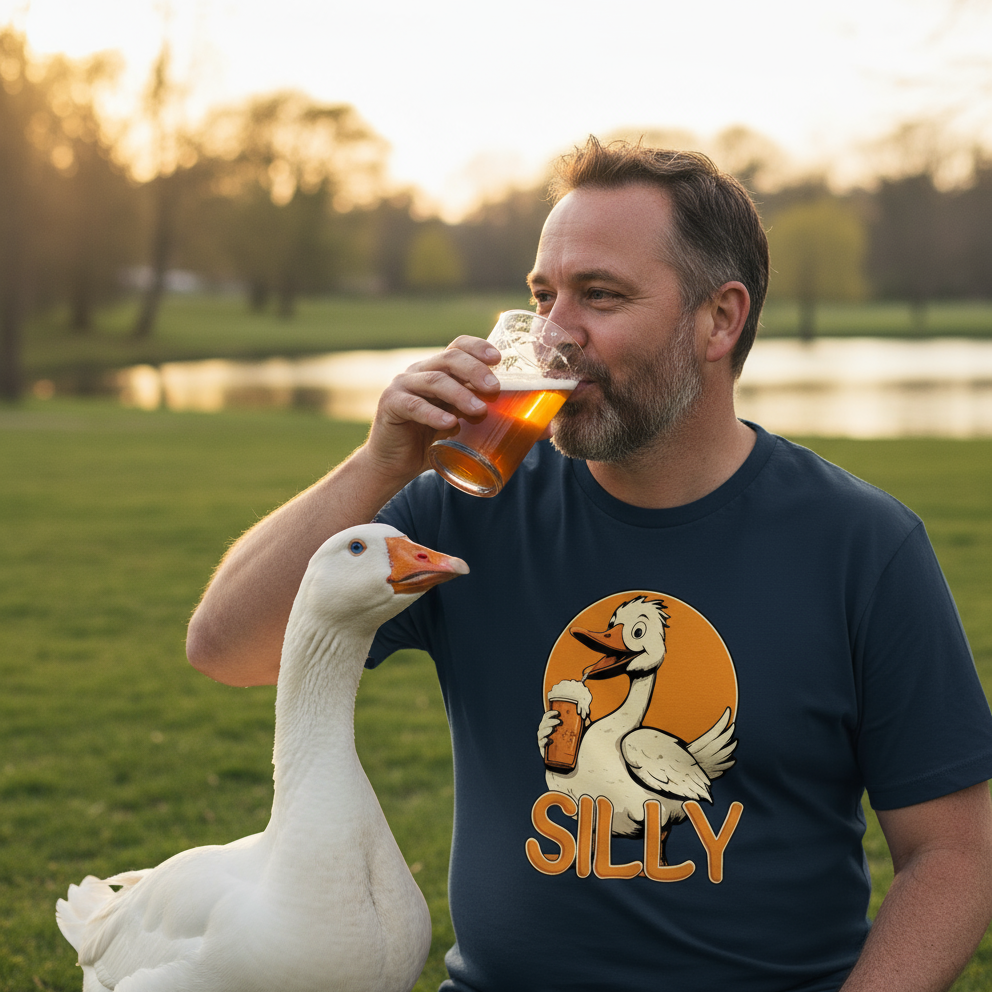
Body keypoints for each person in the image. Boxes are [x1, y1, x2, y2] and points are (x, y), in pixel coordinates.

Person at [187, 137, 992, 992]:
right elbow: (230, 649)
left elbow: (953, 852)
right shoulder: (467, 507)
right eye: (544, 296)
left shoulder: (861, 545)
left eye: (600, 296)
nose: (555, 334)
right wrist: (377, 464)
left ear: (720, 319)